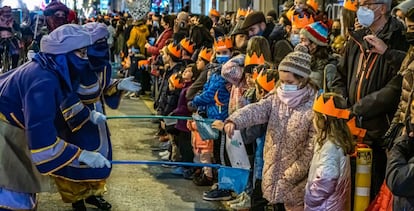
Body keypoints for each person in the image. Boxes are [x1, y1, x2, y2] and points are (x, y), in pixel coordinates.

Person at [0, 24, 111, 211]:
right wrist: (81, 155)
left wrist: (88, 115)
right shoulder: (43, 80)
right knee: (13, 194)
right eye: (81, 54)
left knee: (20, 188)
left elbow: (63, 100)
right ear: (64, 54)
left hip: (13, 128)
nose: (86, 59)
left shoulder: (50, 68)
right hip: (6, 133)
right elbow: (42, 141)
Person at [51, 22, 141, 211]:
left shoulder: (104, 65)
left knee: (100, 156)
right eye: (98, 41)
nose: (103, 45)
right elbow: (65, 93)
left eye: (104, 41)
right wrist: (85, 115)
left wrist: (118, 85)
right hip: (73, 119)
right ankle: (77, 198)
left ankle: (94, 194)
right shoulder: (73, 61)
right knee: (77, 157)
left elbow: (102, 88)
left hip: (97, 117)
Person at [331, 0, 408, 201]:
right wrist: (343, 105)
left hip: (378, 131)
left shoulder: (399, 40)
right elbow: (339, 73)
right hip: (350, 128)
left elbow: (394, 89)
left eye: (366, 4)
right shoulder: (356, 38)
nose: (361, 8)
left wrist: (357, 109)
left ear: (382, 8)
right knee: (350, 192)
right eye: (359, 4)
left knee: (373, 194)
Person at [224, 45, 316, 211]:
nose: (285, 85)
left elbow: (312, 146)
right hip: (273, 170)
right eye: (282, 81)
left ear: (302, 80)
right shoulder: (276, 97)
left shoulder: (313, 105)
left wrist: (292, 174)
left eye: (290, 82)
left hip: (296, 179)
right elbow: (257, 109)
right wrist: (234, 120)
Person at [385, 8, 414, 210]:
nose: (408, 31)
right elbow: (404, 98)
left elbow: (399, 181)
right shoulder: (411, 53)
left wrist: (399, 145)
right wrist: (397, 127)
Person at [304, 93, 353, 210]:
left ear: (324, 119)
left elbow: (327, 178)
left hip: (323, 207)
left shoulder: (330, 147)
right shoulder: (336, 142)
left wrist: (310, 198)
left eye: (315, 116)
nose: (313, 120)